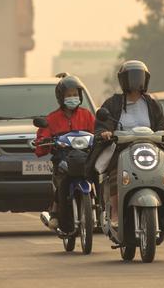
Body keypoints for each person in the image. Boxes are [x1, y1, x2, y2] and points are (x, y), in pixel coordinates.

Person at [36, 74, 96, 232]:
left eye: (75, 94)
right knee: (61, 179)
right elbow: (43, 136)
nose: (72, 98)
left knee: (101, 175)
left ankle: (104, 208)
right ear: (61, 97)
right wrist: (43, 140)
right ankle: (55, 213)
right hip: (63, 159)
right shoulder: (52, 118)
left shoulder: (87, 115)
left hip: (85, 157)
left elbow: (98, 131)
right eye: (68, 95)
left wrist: (104, 135)